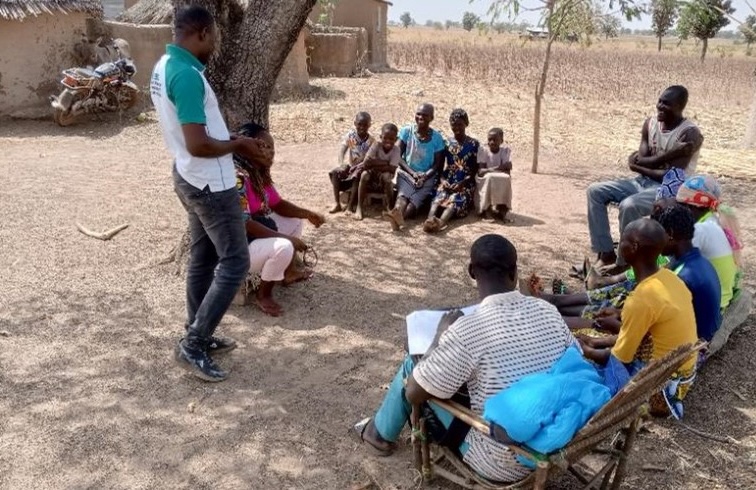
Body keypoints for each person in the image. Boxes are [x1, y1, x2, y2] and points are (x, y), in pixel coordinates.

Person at [352, 234, 576, 483]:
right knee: (471, 373)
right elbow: (575, 362)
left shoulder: (469, 330)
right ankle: (379, 430)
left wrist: (439, 337)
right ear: (515, 272)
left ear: (472, 271)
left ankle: (378, 434)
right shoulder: (548, 311)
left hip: (505, 460)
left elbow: (414, 393)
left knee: (411, 369)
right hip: (559, 434)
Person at [151, 6, 271, 382]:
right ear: (202, 33)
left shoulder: (162, 67)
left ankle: (195, 327)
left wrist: (235, 141)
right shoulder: (185, 76)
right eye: (215, 36)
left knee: (202, 257)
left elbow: (195, 139)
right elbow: (198, 144)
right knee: (235, 263)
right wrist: (240, 146)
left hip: (190, 177)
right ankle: (194, 343)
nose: (216, 43)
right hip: (208, 183)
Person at [579, 219, 699, 418]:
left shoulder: (642, 297)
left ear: (633, 247)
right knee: (594, 337)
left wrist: (588, 350)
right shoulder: (671, 279)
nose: (620, 245)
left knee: (577, 352)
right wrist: (600, 339)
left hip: (658, 390)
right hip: (683, 378)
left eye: (623, 240)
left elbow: (621, 358)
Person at [586, 85, 703, 272]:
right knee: (595, 191)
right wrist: (666, 157)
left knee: (629, 205)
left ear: (680, 106)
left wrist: (638, 165)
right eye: (660, 101)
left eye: (667, 104)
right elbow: (644, 159)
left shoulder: (689, 133)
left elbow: (670, 175)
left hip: (670, 190)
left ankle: (624, 263)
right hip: (643, 182)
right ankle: (605, 252)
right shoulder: (650, 124)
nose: (660, 106)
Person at [235, 123, 325, 317]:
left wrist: (307, 214)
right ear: (248, 147)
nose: (272, 152)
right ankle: (264, 294)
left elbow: (277, 204)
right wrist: (289, 241)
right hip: (238, 247)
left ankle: (288, 272)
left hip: (253, 235)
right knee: (284, 246)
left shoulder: (257, 173)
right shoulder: (238, 177)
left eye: (272, 147)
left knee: (294, 221)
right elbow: (244, 223)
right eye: (265, 146)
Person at [653, 203, 722, 342]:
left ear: (670, 234)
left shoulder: (682, 276)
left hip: (696, 341)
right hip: (709, 329)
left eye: (659, 234)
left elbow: (662, 317)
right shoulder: (701, 261)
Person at [676, 174, 742, 310]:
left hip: (712, 306)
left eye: (680, 206)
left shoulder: (700, 230)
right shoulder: (715, 220)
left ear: (692, 207)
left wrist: (623, 277)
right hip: (721, 298)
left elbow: (669, 263)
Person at [385, 104, 446, 231]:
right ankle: (397, 216)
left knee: (412, 205)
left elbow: (437, 164)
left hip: (427, 177)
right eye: (418, 114)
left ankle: (397, 220)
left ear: (432, 118)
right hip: (407, 173)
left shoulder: (437, 138)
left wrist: (425, 176)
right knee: (402, 197)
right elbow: (398, 156)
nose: (420, 117)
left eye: (425, 115)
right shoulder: (407, 132)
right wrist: (412, 173)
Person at [424, 109, 479, 234]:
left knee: (455, 199)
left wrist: (463, 183)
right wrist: (443, 181)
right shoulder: (446, 143)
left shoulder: (474, 144)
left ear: (466, 124)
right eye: (454, 125)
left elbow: (475, 170)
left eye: (460, 124)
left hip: (465, 183)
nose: (457, 127)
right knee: (438, 197)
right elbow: (441, 166)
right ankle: (429, 221)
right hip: (448, 179)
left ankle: (441, 223)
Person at [351, 123, 402, 221]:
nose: (388, 141)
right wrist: (385, 162)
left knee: (387, 177)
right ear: (380, 137)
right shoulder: (376, 145)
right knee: (364, 175)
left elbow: (392, 169)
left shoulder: (396, 150)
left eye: (391, 139)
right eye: (385, 138)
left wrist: (374, 164)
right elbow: (366, 162)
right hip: (372, 174)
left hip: (383, 177)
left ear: (396, 139)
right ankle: (359, 207)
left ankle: (390, 207)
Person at [329, 112, 375, 214]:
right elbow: (342, 151)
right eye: (359, 124)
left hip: (362, 168)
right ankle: (337, 203)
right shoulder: (351, 137)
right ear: (355, 123)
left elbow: (368, 159)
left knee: (357, 174)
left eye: (365, 125)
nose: (362, 127)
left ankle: (350, 206)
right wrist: (341, 164)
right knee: (335, 172)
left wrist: (360, 164)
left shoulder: (371, 141)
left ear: (369, 125)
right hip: (352, 167)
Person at [476, 128, 513, 221]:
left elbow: (507, 172)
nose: (492, 142)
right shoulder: (484, 150)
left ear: (501, 141)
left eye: (495, 140)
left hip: (495, 177)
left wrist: (489, 170)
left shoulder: (505, 151)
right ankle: (487, 209)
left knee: (506, 178)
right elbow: (481, 172)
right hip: (484, 179)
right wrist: (498, 168)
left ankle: (502, 208)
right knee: (490, 177)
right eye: (489, 140)